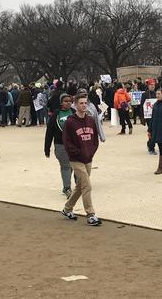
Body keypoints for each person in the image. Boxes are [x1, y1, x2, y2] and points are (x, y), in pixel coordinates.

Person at [61, 93, 102, 226]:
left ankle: (67, 208)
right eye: (81, 103)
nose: (84, 105)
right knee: (87, 186)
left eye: (85, 103)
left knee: (80, 186)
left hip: (88, 158)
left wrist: (91, 151)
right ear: (75, 105)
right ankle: (90, 214)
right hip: (76, 159)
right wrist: (77, 153)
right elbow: (67, 142)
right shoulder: (70, 122)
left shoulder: (90, 120)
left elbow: (95, 138)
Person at [45, 93, 76, 198]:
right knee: (66, 166)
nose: (68, 103)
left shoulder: (74, 113)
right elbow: (49, 133)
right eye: (66, 101)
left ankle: (79, 185)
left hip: (74, 145)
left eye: (70, 101)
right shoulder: (55, 115)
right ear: (61, 103)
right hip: (60, 145)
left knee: (75, 166)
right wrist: (47, 149)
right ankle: (67, 187)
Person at [141, 80, 157, 154]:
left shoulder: (156, 93)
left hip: (156, 116)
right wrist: (142, 117)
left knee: (156, 132)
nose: (152, 86)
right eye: (151, 85)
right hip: (148, 117)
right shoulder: (145, 94)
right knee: (151, 131)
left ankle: (150, 144)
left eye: (153, 85)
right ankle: (151, 147)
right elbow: (142, 106)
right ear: (148, 86)